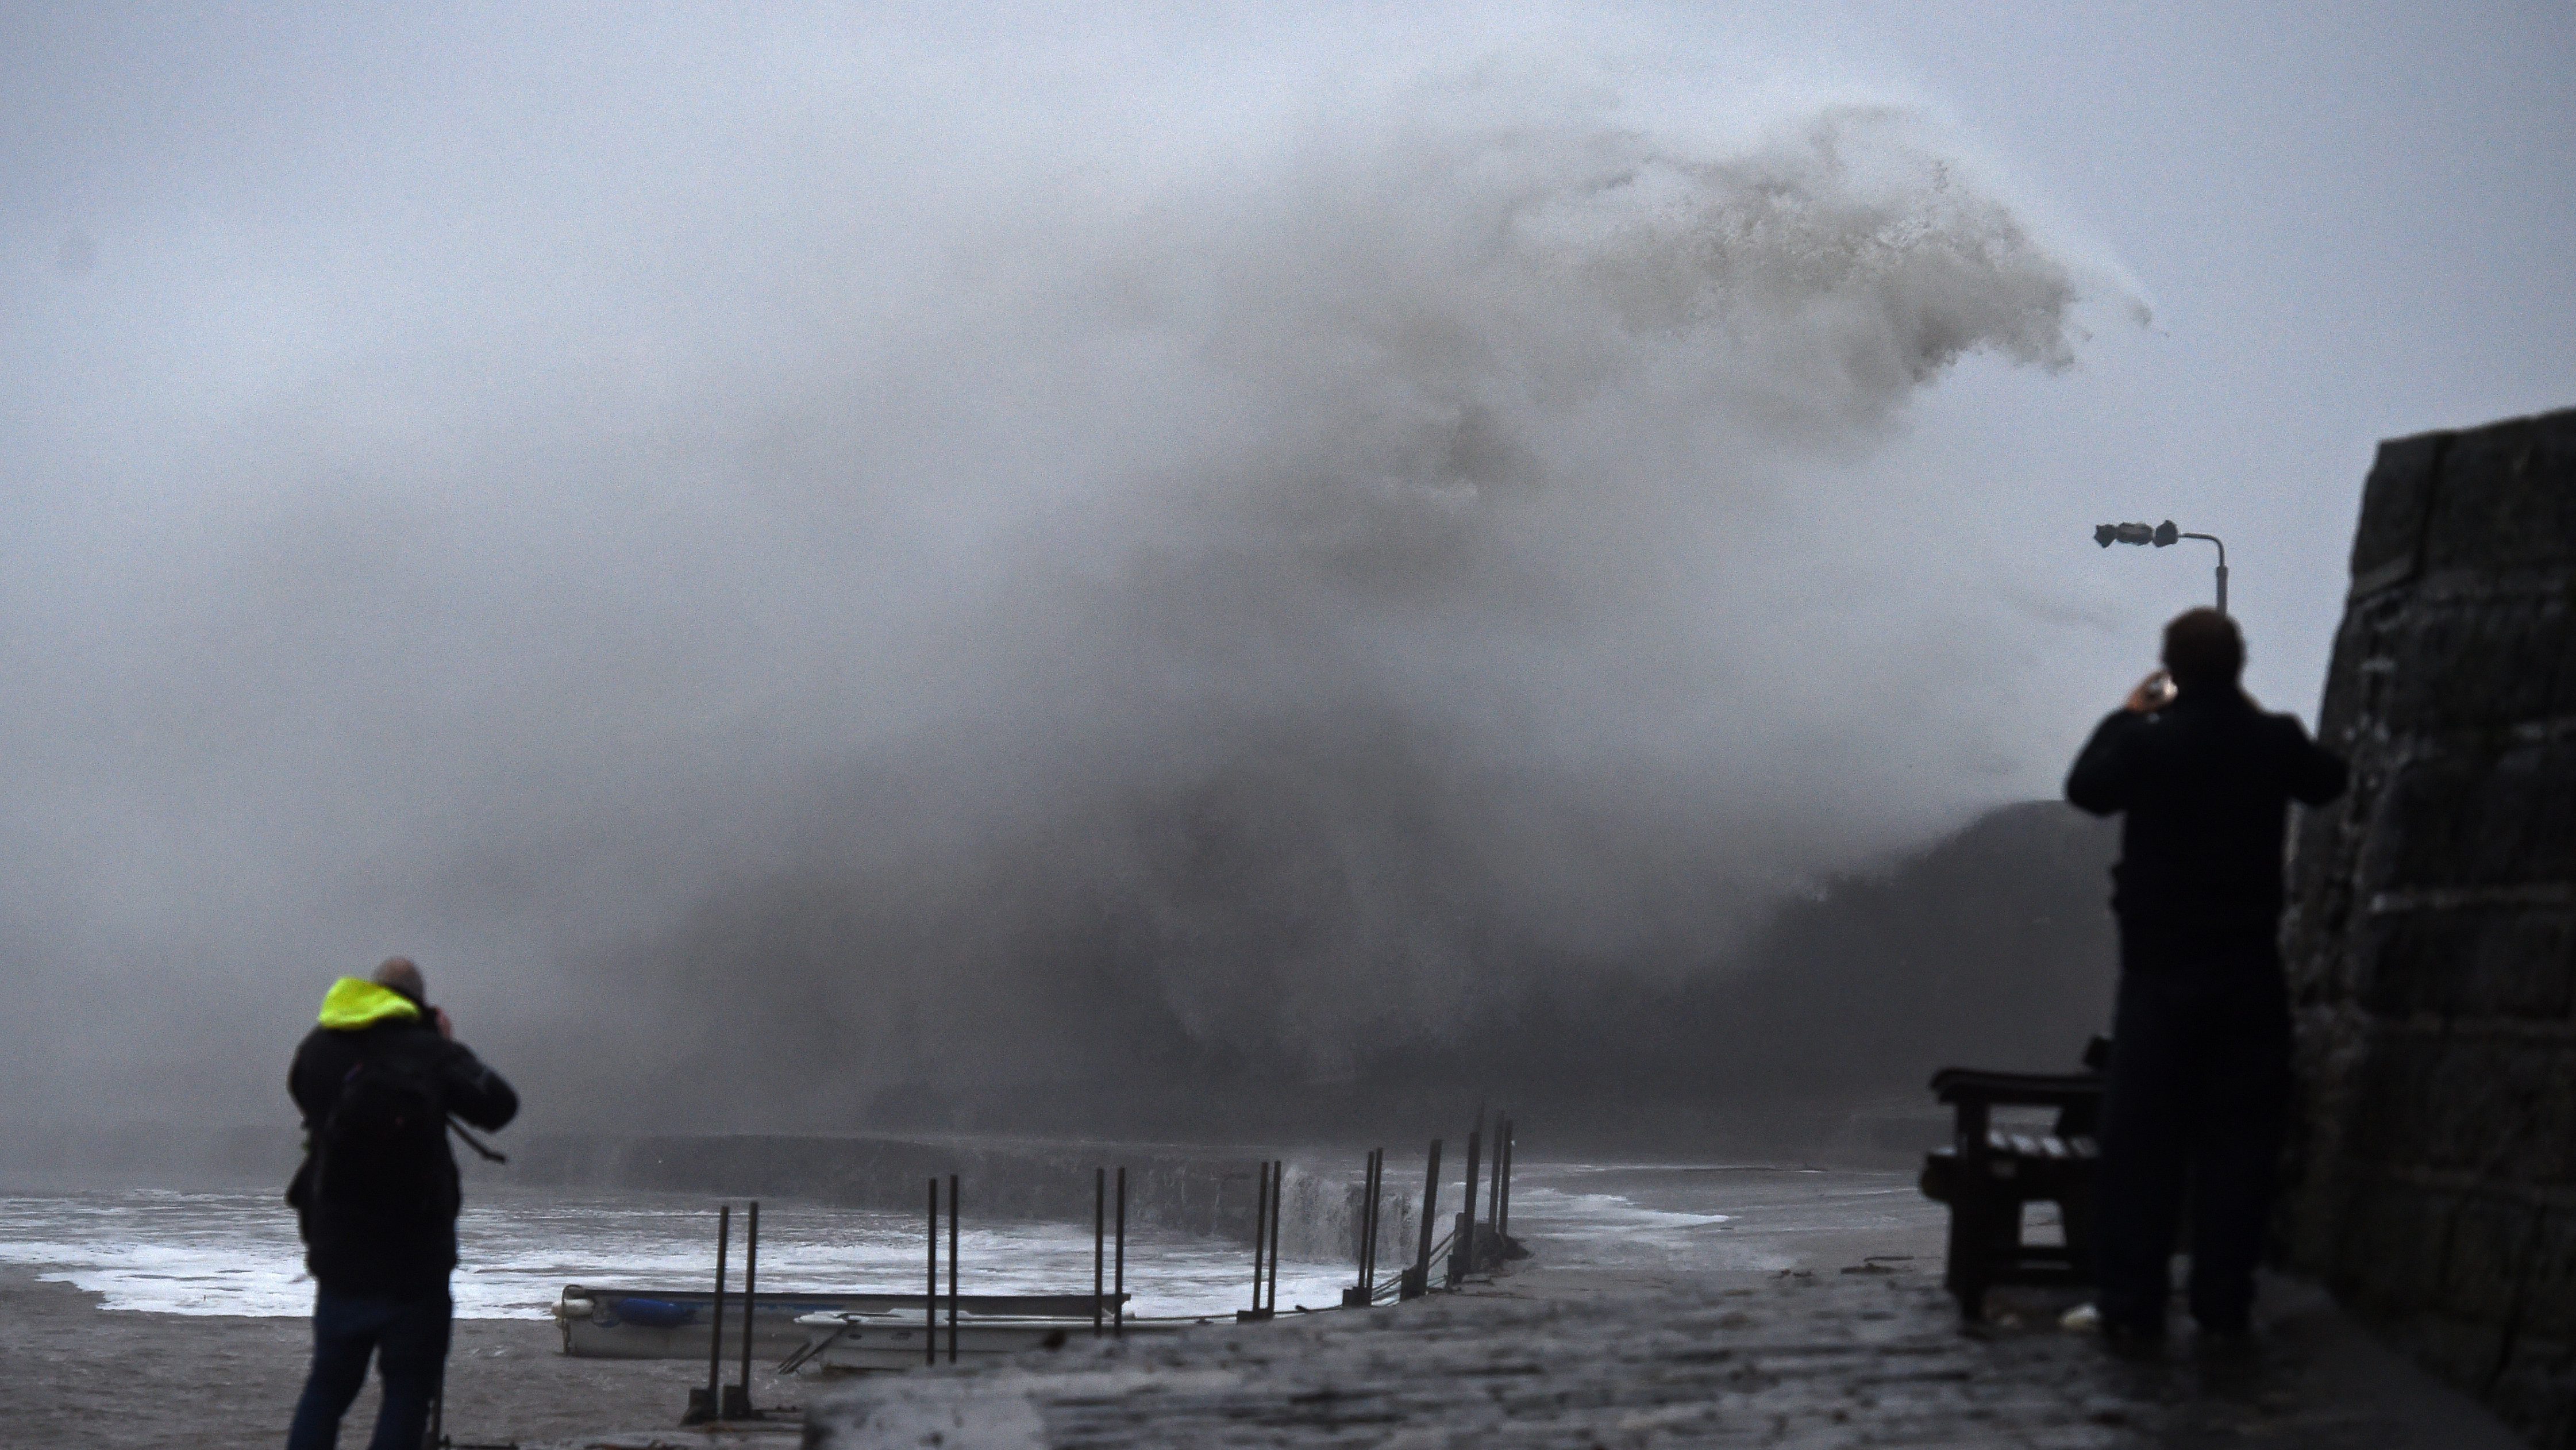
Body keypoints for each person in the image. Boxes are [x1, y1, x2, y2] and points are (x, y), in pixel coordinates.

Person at [2062, 609, 2347, 1348]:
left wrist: (2128, 715)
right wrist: (2251, 710)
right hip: (2248, 968)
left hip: (2159, 972)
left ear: (2170, 670)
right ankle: (2223, 1300)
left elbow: (2086, 789)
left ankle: (2132, 1301)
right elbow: (2327, 782)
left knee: (2142, 1142)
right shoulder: (2269, 741)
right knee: (2240, 1142)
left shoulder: (2148, 744)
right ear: (2241, 665)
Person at [285, 956, 517, 1450]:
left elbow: (303, 1098)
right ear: (419, 1000)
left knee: (327, 1389)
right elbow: (500, 1105)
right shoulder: (431, 1050)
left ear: (373, 991)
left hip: (341, 1254)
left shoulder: (319, 1047)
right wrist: (447, 1046)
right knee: (407, 1393)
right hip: (418, 1260)